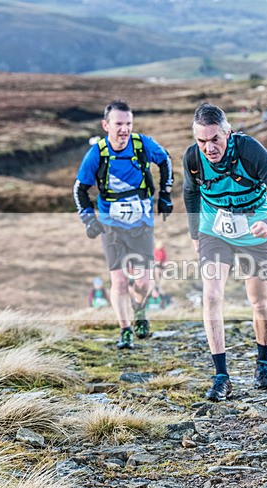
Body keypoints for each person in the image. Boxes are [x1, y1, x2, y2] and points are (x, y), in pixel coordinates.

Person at [183, 102, 267, 401]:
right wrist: (196, 233)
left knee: (259, 302)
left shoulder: (249, 150)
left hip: (253, 230)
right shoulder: (193, 157)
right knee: (211, 295)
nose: (208, 147)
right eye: (202, 141)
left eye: (215, 139)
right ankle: (221, 376)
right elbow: (191, 192)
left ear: (228, 133)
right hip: (214, 229)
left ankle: (263, 363)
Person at [74, 100, 173, 349]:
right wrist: (88, 218)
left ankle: (140, 312)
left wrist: (166, 194)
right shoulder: (97, 153)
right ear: (106, 125)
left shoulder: (142, 145)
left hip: (142, 223)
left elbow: (166, 161)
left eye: (128, 123)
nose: (125, 129)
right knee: (118, 281)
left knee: (141, 282)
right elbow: (80, 189)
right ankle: (125, 330)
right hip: (111, 224)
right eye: (119, 124)